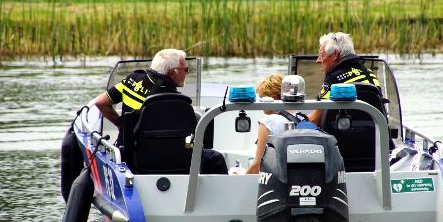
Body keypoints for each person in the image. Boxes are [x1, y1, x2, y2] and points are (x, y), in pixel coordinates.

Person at [93, 48, 227, 174]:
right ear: (171, 73)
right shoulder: (177, 102)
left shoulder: (132, 80)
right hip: (174, 162)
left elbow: (101, 103)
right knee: (216, 158)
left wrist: (120, 124)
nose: (187, 72)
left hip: (132, 158)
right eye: (185, 69)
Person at [308, 32, 380, 126]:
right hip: (375, 138)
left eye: (321, 55)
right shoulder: (370, 75)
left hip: (341, 139)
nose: (318, 61)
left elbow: (315, 120)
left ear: (334, 55)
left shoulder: (333, 81)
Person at [243, 74, 295, 175]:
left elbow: (257, 166)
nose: (260, 102)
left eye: (262, 98)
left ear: (274, 97)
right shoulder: (299, 116)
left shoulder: (268, 122)